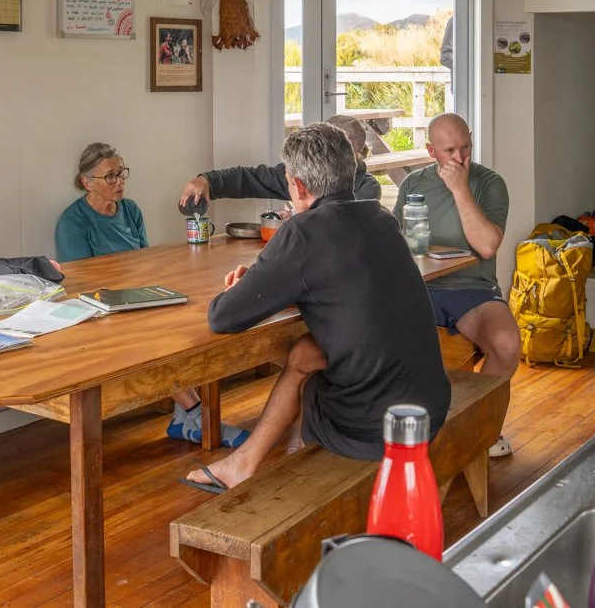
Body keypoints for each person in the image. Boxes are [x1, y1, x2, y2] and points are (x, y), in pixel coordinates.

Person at [184, 124, 449, 492]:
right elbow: (345, 283)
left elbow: (222, 317)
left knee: (310, 383)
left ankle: (294, 483)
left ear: (298, 186)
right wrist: (275, 284)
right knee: (305, 352)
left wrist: (247, 286)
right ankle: (243, 464)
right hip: (428, 407)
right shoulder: (380, 217)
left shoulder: (303, 232)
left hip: (372, 426)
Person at [54, 142, 247, 447]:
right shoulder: (73, 221)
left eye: (121, 173)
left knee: (193, 317)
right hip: (102, 307)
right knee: (150, 334)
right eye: (110, 176)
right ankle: (200, 416)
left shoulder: (130, 210)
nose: (119, 181)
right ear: (86, 182)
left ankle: (185, 417)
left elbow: (144, 259)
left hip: (138, 295)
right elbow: (82, 281)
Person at [394, 112, 520, 458]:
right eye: (449, 151)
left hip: (472, 288)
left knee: (507, 345)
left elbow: (487, 247)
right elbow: (395, 239)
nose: (460, 158)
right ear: (431, 151)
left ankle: (479, 430)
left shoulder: (489, 183)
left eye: (465, 147)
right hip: (420, 288)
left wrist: (460, 188)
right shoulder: (413, 184)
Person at [177, 113, 381, 208]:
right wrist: (208, 181)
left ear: (355, 156)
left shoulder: (367, 188)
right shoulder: (301, 173)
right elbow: (253, 178)